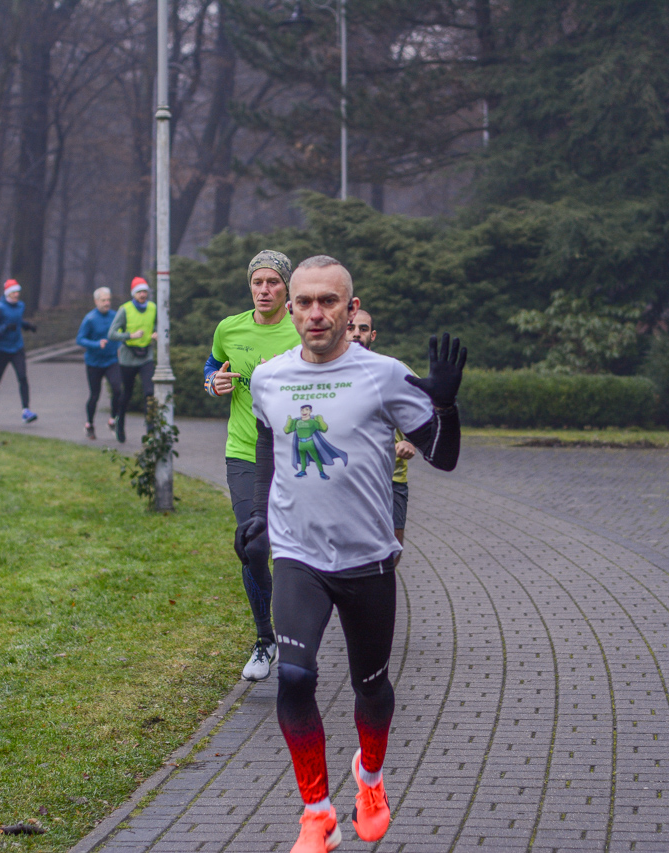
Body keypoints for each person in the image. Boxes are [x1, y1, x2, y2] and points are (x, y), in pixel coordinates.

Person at [235, 255, 464, 853]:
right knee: (294, 676)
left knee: (371, 687)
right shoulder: (269, 377)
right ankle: (316, 812)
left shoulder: (384, 374)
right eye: (305, 302)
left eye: (329, 302)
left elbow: (442, 455)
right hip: (298, 555)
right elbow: (267, 441)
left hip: (367, 559)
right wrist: (259, 516)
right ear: (290, 308)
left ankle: (370, 779)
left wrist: (445, 407)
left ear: (350, 308)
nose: (316, 313)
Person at [203, 250, 301, 682]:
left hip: (295, 454)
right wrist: (214, 382)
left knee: (294, 554)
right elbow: (213, 364)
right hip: (244, 452)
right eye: (258, 282)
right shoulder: (230, 327)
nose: (264, 290)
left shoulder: (301, 330)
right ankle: (265, 639)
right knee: (253, 545)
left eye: (273, 283)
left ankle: (298, 634)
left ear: (286, 288)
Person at [347, 308, 416, 566]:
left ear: (372, 335)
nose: (356, 334)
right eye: (351, 327)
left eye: (363, 329)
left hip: (391, 478)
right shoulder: (325, 371)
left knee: (393, 553)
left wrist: (410, 441)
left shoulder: (392, 370)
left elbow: (424, 408)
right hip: (346, 478)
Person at [107, 277, 157, 443]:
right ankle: (120, 425)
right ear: (134, 294)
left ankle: (150, 431)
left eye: (145, 292)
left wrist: (156, 333)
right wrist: (130, 335)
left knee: (149, 392)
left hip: (146, 356)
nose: (143, 294)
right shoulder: (125, 310)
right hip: (128, 357)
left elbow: (157, 325)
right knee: (125, 394)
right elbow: (112, 334)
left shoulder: (152, 308)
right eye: (139, 292)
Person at [0, 279, 38, 424]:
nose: (16, 294)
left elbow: (17, 321)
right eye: (13, 292)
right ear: (7, 293)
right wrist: (4, 328)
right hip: (1, 349)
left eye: (18, 292)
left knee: (22, 377)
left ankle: (26, 411)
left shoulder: (20, 306)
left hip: (17, 348)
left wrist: (28, 326)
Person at [77, 287, 123, 440]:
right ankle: (89, 424)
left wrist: (119, 346)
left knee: (117, 390)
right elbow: (80, 339)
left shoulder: (115, 316)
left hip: (111, 360)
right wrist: (96, 344)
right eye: (103, 300)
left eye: (108, 300)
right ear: (96, 301)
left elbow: (121, 333)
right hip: (94, 363)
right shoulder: (89, 319)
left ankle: (112, 420)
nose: (107, 303)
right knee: (94, 395)